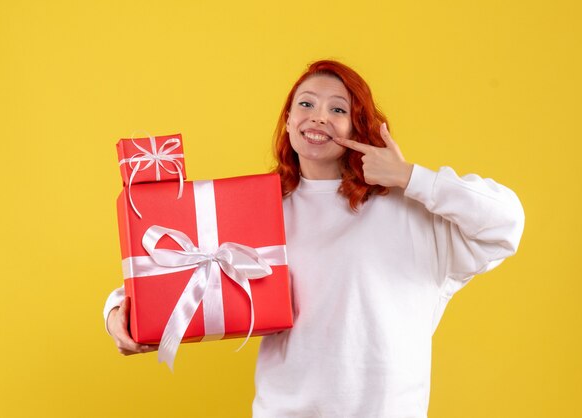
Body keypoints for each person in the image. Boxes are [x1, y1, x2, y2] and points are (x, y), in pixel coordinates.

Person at [104, 60, 525, 417]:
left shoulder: (411, 212)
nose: (318, 116)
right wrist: (117, 316)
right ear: (288, 121)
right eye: (305, 104)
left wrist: (409, 177)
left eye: (337, 109)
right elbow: (167, 272)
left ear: (358, 125)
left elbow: (505, 221)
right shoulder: (259, 210)